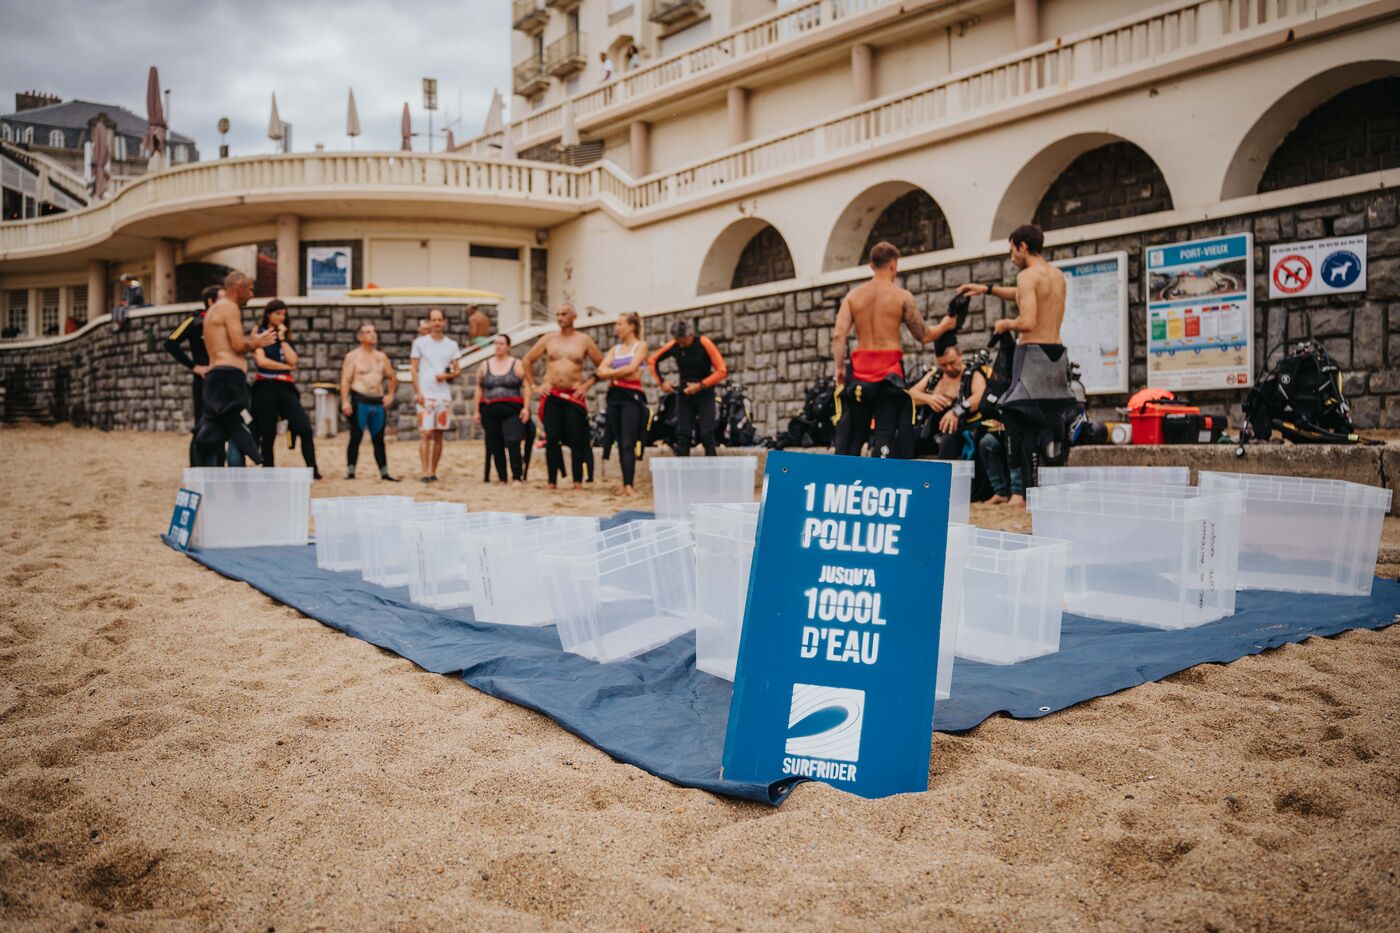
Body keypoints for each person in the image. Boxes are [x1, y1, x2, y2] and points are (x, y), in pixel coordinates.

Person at [956, 223, 1071, 497]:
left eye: (1012, 251)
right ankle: (1039, 487)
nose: (1011, 258)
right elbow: (1023, 295)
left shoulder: (1026, 276)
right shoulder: (1056, 275)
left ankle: (1020, 494)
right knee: (1049, 418)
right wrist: (986, 289)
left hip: (1032, 356)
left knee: (1017, 417)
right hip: (1056, 355)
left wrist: (1005, 324)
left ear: (1023, 246)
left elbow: (1028, 321)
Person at [831, 241, 957, 458]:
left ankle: (847, 475)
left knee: (856, 433)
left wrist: (840, 368)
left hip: (860, 370)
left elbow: (838, 336)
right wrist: (945, 325)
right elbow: (924, 335)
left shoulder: (853, 297)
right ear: (893, 264)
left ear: (872, 266)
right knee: (885, 432)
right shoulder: (902, 296)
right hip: (889, 372)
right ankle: (881, 474)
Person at [194, 271, 277, 465]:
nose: (252, 295)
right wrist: (256, 343)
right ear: (238, 287)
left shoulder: (214, 310)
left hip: (216, 375)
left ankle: (205, 474)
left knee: (213, 427)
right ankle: (256, 461)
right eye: (250, 289)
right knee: (238, 422)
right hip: (229, 376)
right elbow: (238, 345)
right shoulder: (230, 307)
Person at [523, 302, 602, 489]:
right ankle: (552, 482)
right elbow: (527, 360)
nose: (560, 318)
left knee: (576, 439)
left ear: (574, 316)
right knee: (552, 439)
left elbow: (602, 364)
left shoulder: (583, 340)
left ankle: (577, 482)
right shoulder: (548, 339)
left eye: (564, 314)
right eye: (557, 314)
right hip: (552, 394)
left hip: (573, 396)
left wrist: (587, 385)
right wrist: (535, 385)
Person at [250, 300, 320, 477]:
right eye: (278, 313)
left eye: (284, 314)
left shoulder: (285, 335)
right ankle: (268, 471)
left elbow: (293, 360)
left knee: (304, 428)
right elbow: (262, 361)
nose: (282, 317)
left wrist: (282, 339)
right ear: (268, 314)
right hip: (265, 386)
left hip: (286, 387)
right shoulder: (259, 332)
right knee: (268, 432)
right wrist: (285, 367)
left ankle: (313, 469)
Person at [647, 321, 727, 456]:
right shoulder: (674, 344)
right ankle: (682, 468)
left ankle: (712, 467)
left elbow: (722, 370)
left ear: (690, 335)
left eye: (683, 341)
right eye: (678, 342)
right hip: (684, 395)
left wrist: (701, 385)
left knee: (707, 435)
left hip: (705, 393)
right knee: (683, 435)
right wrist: (662, 382)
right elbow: (652, 360)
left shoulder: (704, 342)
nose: (681, 345)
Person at [166, 285, 222, 466]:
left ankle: (218, 469)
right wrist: (194, 366)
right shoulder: (194, 321)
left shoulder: (225, 322)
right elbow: (170, 342)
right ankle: (196, 469)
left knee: (222, 424)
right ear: (210, 301)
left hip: (222, 380)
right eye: (222, 299)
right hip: (203, 381)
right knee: (202, 424)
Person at [596, 312, 649, 496]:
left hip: (631, 397)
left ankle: (629, 484)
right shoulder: (615, 349)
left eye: (620, 324)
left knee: (628, 441)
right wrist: (621, 373)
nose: (616, 328)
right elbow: (600, 370)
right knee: (619, 441)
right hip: (614, 396)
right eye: (615, 324)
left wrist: (611, 373)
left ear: (631, 326)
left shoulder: (640, 346)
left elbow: (632, 369)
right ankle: (625, 482)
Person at [340, 323, 399, 481]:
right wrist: (345, 401)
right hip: (360, 400)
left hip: (377, 401)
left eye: (374, 331)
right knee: (356, 436)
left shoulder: (381, 357)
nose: (373, 334)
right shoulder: (353, 357)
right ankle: (351, 471)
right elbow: (345, 381)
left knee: (378, 438)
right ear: (360, 337)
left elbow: (392, 377)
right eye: (368, 332)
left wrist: (390, 395)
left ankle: (384, 472)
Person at [410, 308, 462, 483]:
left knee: (439, 435)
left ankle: (433, 471)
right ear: (429, 322)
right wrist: (418, 391)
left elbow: (457, 370)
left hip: (443, 396)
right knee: (425, 433)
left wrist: (445, 376)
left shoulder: (451, 345)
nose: (437, 323)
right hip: (426, 395)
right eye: (434, 320)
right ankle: (424, 472)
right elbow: (414, 369)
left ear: (444, 322)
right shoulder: (420, 343)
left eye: (440, 320)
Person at [474, 333, 531, 485]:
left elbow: (526, 386)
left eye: (501, 343)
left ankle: (517, 476)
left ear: (508, 347)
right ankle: (502, 477)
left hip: (511, 409)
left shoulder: (516, 364)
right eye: (496, 343)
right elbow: (479, 388)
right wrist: (476, 411)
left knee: (513, 440)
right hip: (490, 409)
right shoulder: (485, 365)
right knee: (495, 443)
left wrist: (526, 408)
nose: (498, 346)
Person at [907, 332, 972, 460]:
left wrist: (956, 411)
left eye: (952, 362)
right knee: (905, 438)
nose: (949, 368)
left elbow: (979, 397)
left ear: (960, 355)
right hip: (932, 429)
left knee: (947, 442)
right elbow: (910, 395)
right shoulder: (936, 375)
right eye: (943, 365)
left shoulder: (971, 373)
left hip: (959, 428)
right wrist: (928, 399)